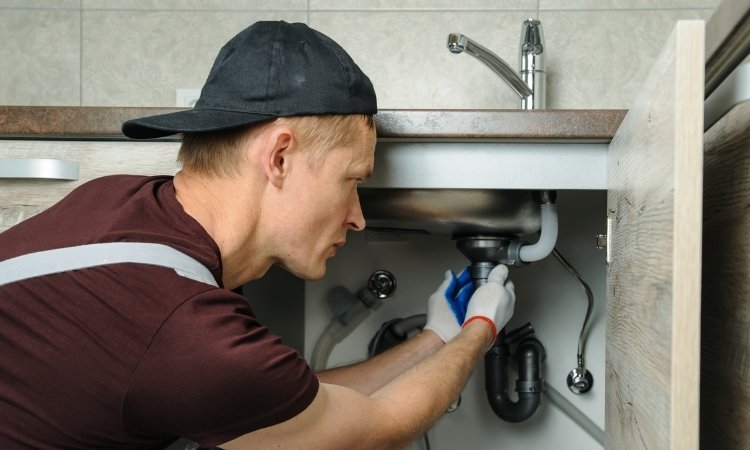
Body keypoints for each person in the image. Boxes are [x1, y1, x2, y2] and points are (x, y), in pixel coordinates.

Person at [0, 21, 515, 449]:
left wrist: (435, 339)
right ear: (279, 157)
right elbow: (369, 431)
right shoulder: (181, 325)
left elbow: (287, 406)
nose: (358, 217)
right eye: (352, 180)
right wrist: (479, 332)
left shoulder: (123, 202)